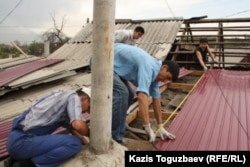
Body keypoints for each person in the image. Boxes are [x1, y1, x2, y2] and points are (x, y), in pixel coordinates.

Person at [5, 87, 91, 167]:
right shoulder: (73, 97)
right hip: (22, 142)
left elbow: (74, 130)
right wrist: (94, 134)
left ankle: (14, 160)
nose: (84, 112)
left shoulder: (61, 99)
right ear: (84, 99)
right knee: (74, 143)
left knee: (70, 139)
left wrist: (87, 142)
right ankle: (28, 164)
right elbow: (78, 126)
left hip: (15, 143)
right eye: (87, 108)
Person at [112, 43, 180, 144]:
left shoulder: (155, 76)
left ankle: (118, 123)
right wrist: (147, 126)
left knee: (130, 93)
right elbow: (142, 96)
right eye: (167, 77)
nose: (165, 81)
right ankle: (115, 137)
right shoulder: (149, 66)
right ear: (164, 67)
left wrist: (160, 126)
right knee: (123, 93)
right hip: (103, 60)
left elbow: (156, 100)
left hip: (116, 68)